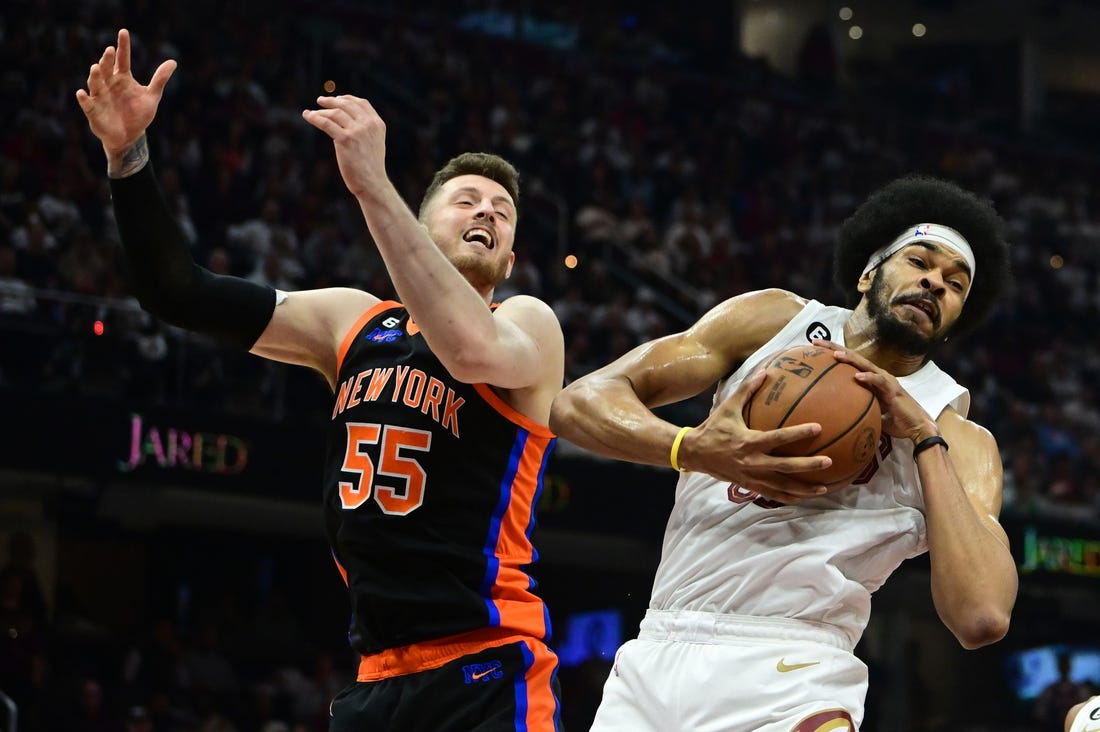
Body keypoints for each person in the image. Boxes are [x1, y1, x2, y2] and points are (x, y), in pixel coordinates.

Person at [77, 29, 565, 731]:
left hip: (485, 664)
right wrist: (127, 156)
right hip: (375, 674)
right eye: (466, 200)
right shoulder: (353, 322)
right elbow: (177, 291)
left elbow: (467, 348)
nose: (486, 210)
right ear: (423, 226)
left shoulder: (530, 325)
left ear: (513, 258)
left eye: (502, 210)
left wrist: (371, 183)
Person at [549, 175, 1018, 730]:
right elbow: (576, 404)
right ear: (869, 273)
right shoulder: (774, 322)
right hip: (658, 646)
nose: (935, 283)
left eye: (955, 284)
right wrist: (692, 448)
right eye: (920, 261)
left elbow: (982, 616)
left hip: (795, 667)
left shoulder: (957, 433)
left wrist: (922, 439)